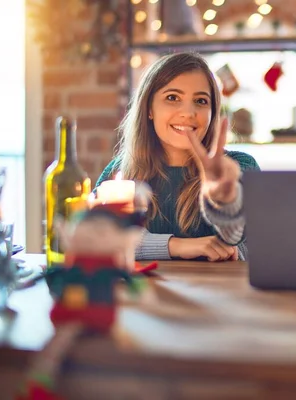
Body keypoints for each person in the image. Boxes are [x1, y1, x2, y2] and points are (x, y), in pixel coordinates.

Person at [95, 52, 259, 262]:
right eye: (172, 98)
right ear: (149, 109)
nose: (188, 112)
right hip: (143, 293)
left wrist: (224, 200)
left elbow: (239, 240)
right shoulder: (120, 172)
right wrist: (175, 245)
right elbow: (96, 239)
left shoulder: (239, 166)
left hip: (215, 293)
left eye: (200, 101)